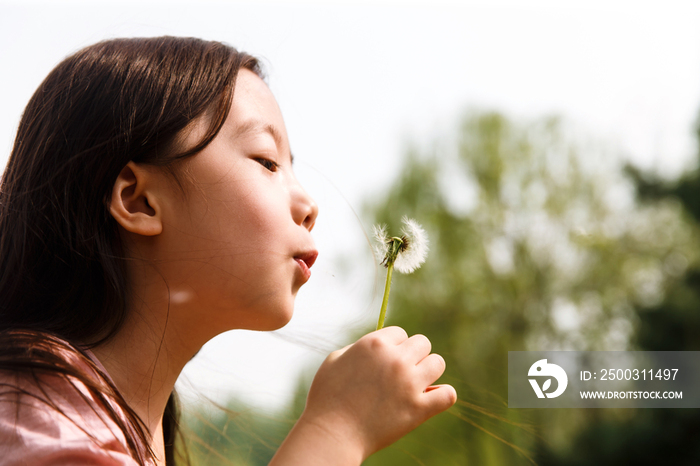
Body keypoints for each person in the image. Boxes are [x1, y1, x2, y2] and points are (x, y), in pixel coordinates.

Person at [0, 36, 457, 465]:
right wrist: (337, 430)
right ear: (139, 201)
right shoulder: (36, 421)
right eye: (267, 162)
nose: (309, 205)